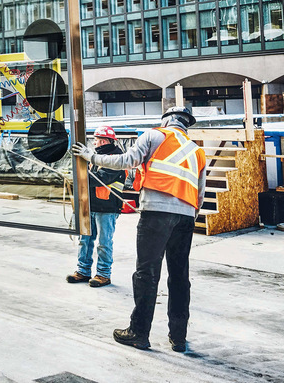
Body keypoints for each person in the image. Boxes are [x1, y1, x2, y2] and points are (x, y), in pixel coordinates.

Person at [72, 106, 206, 352]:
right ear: (187, 124)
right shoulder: (197, 151)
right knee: (179, 276)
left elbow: (126, 161)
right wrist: (187, 215)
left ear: (166, 119)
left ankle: (139, 332)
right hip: (186, 217)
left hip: (156, 213)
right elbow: (200, 193)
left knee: (146, 273)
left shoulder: (154, 135)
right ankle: (178, 337)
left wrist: (91, 156)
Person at [66, 125, 126, 288]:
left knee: (104, 242)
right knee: (85, 240)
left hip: (107, 208)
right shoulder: (95, 156)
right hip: (90, 205)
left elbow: (100, 178)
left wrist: (80, 172)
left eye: (97, 140)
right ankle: (83, 271)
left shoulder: (116, 158)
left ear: (105, 141)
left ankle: (103, 275)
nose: (94, 143)